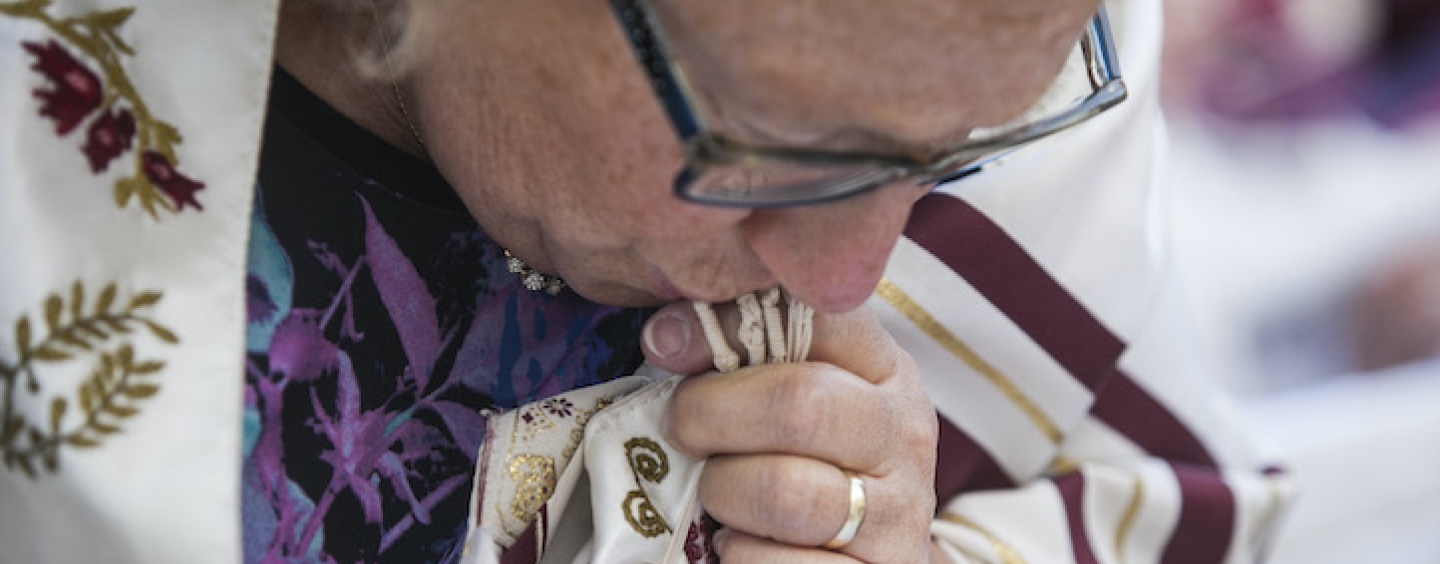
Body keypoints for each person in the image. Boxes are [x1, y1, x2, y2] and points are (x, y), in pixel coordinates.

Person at [0, 0, 1290, 563]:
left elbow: (1177, 509)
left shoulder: (1004, 50)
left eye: (959, 148)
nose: (856, 272)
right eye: (782, 138)